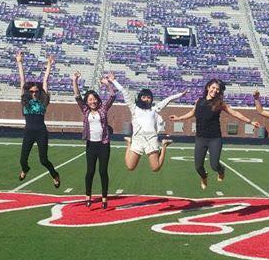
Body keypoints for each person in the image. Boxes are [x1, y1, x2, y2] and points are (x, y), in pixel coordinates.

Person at [169, 79, 260, 189]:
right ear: (208, 87)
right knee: (198, 167)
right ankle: (204, 177)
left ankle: (221, 171)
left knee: (214, 165)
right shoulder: (199, 100)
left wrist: (250, 122)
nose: (215, 90)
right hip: (200, 138)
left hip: (214, 138)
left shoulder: (220, 103)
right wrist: (179, 118)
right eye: (213, 87)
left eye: (217, 89)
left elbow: (235, 113)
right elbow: (192, 113)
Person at [111, 76, 185, 172]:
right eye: (144, 97)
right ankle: (129, 143)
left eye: (149, 97)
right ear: (140, 98)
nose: (146, 99)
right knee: (130, 167)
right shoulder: (134, 108)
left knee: (156, 168)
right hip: (137, 139)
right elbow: (124, 92)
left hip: (151, 139)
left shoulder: (154, 109)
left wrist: (180, 95)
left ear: (151, 99)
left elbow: (168, 100)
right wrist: (113, 80)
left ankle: (164, 145)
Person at [72, 71, 116, 209]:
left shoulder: (103, 109)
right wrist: (75, 81)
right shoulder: (85, 110)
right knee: (90, 171)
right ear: (87, 101)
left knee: (103, 171)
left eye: (94, 99)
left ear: (97, 99)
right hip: (91, 144)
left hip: (104, 145)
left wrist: (108, 84)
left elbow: (113, 96)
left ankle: (104, 198)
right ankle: (88, 196)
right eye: (90, 100)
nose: (93, 101)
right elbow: (77, 96)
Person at [16, 51, 60, 188]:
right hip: (29, 132)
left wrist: (49, 65)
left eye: (36, 91)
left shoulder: (42, 101)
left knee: (43, 160)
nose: (34, 93)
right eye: (32, 91)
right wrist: (19, 63)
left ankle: (55, 175)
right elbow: (22, 81)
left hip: (41, 131)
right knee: (23, 159)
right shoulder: (25, 101)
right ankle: (25, 169)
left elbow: (45, 81)